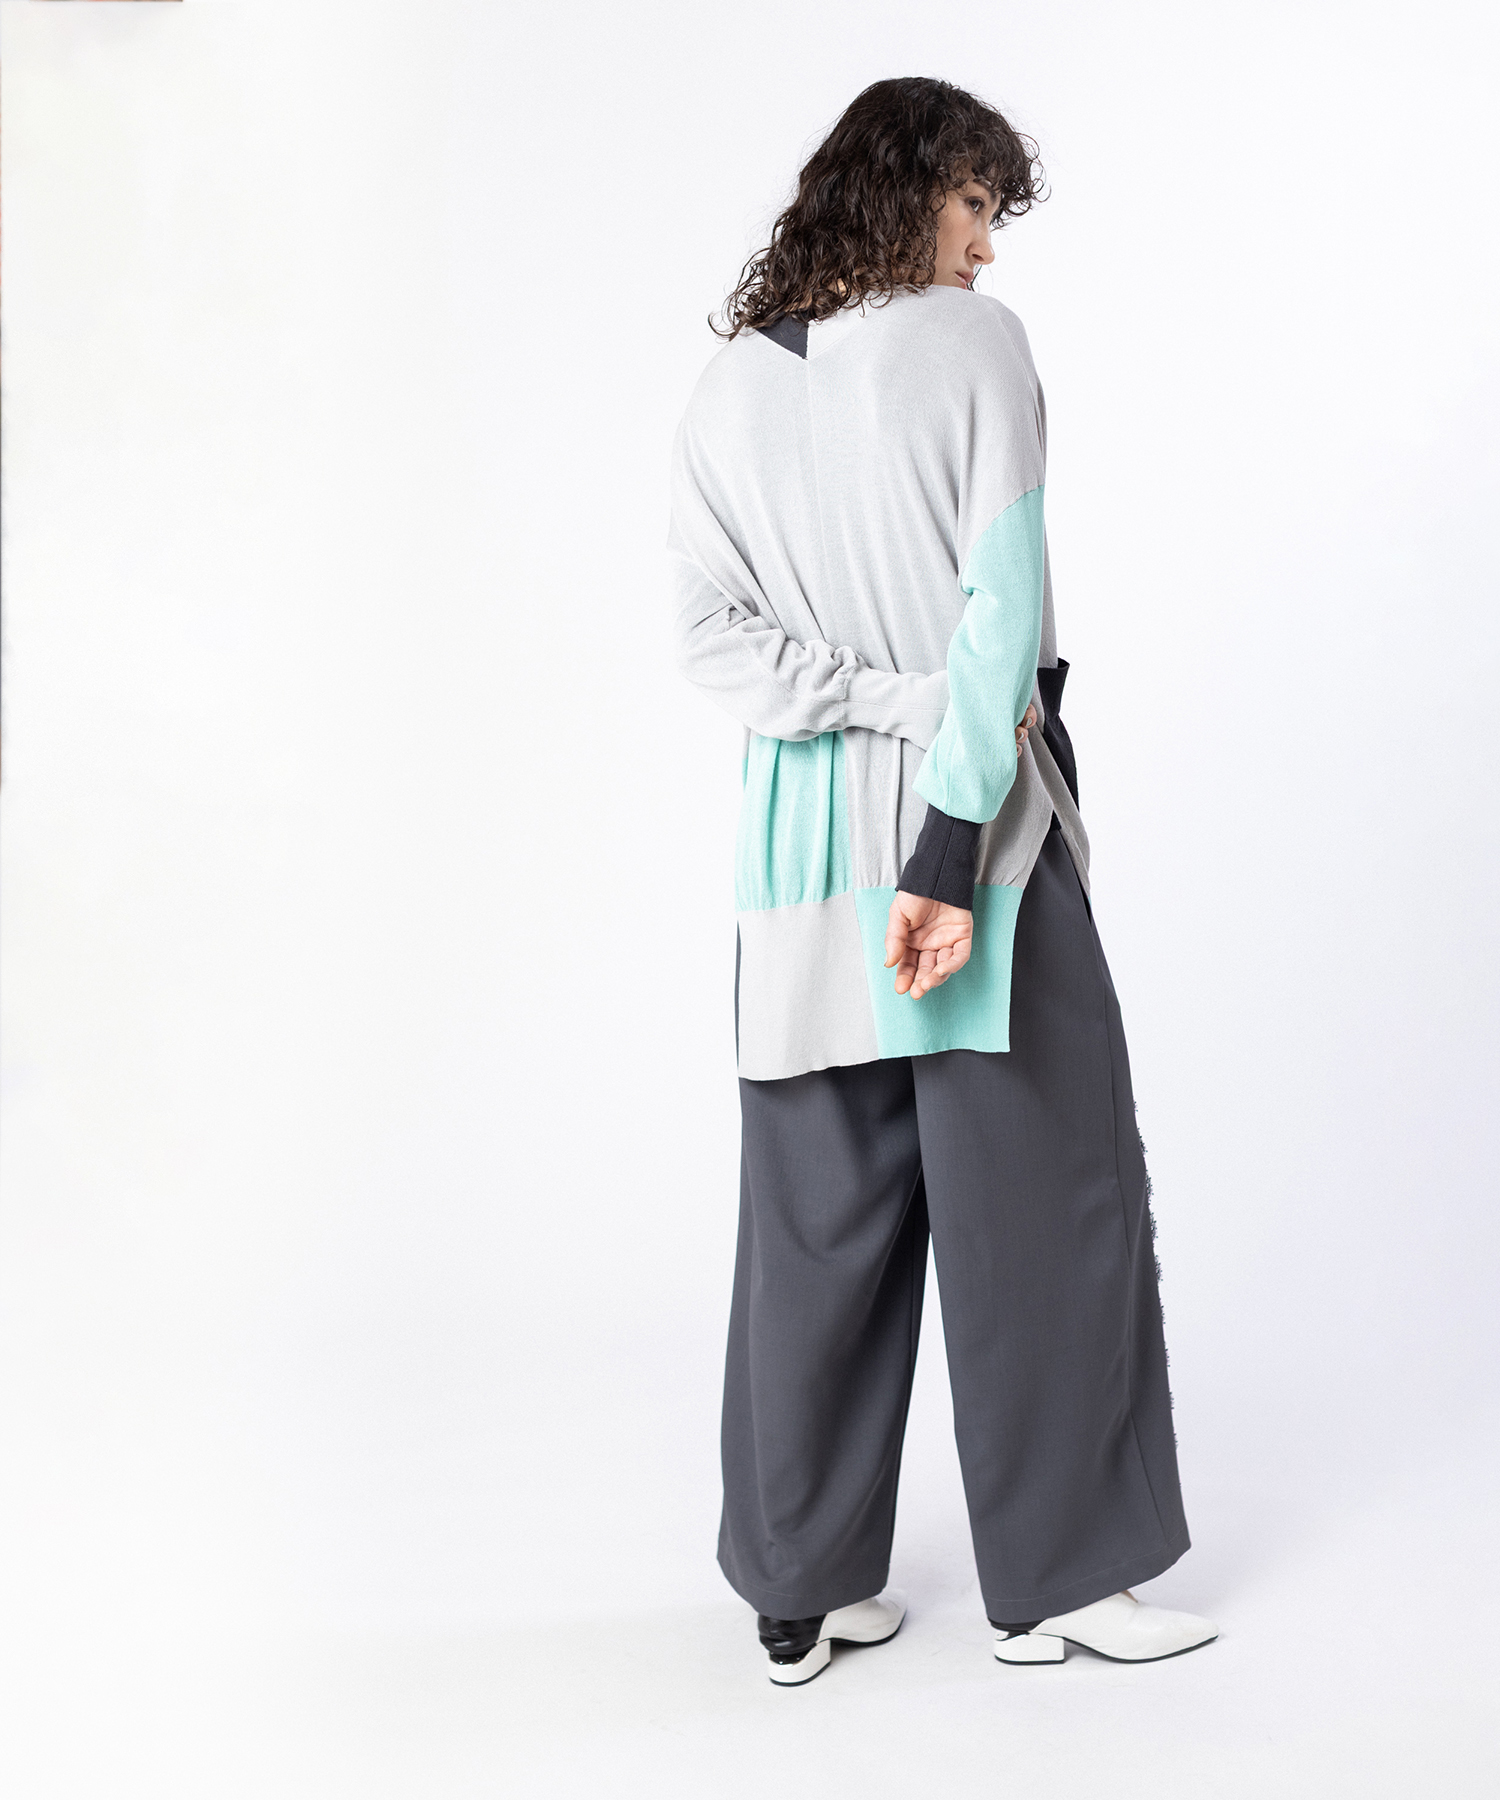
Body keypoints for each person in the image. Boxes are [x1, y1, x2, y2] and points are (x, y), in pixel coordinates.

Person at [668, 76, 1216, 1687]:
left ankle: (800, 1591)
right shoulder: (974, 347)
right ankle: (1064, 1583)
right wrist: (947, 838)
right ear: (906, 189)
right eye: (975, 203)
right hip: (970, 846)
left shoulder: (726, 388)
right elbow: (999, 630)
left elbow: (708, 640)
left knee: (815, 1227)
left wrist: (857, 697)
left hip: (793, 858)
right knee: (1047, 1201)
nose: (986, 245)